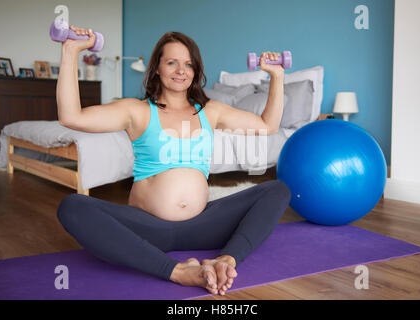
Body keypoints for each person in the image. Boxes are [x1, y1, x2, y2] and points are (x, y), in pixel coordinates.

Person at [56, 26, 291, 296]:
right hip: (148, 228)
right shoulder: (136, 110)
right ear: (157, 67)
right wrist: (70, 51)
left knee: (277, 190)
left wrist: (277, 75)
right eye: (172, 63)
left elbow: (267, 125)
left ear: (196, 71)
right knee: (72, 206)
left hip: (203, 226)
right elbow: (71, 117)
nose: (181, 70)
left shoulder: (211, 111)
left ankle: (226, 260)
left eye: (188, 64)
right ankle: (176, 271)